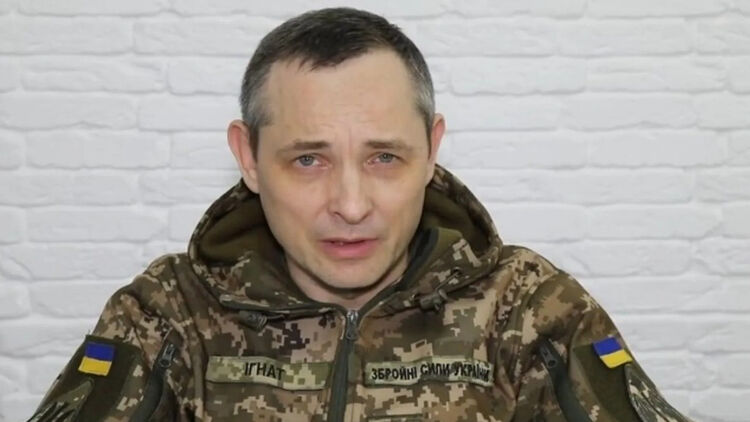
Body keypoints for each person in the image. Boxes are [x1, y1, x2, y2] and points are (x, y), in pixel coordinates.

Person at [27, 7, 694, 422]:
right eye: (307, 160)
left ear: (431, 151)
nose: (350, 206)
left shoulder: (530, 308)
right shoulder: (166, 314)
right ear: (249, 158)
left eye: (384, 158)